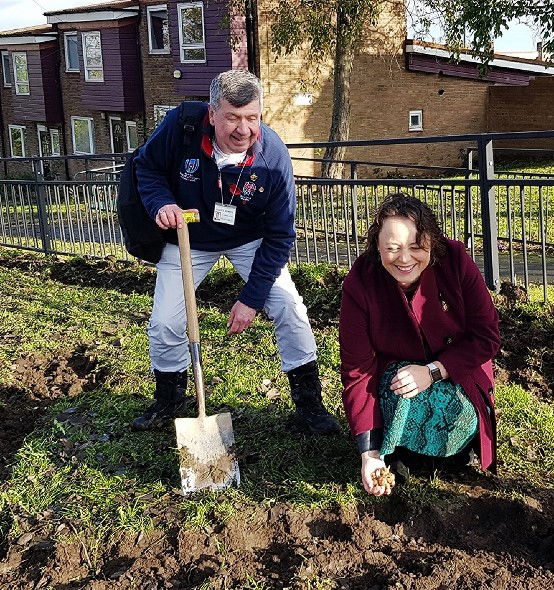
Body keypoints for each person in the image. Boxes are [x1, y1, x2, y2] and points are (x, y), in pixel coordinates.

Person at [131, 69, 340, 435]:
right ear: (212, 114)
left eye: (252, 118)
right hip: (189, 235)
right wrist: (161, 203)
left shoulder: (273, 158)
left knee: (290, 308)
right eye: (232, 117)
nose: (243, 129)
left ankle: (309, 407)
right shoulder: (181, 128)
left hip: (250, 238)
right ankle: (169, 402)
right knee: (165, 322)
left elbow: (280, 235)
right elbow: (146, 166)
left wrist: (251, 298)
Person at [339, 193, 500, 496]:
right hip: (395, 373)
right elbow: (357, 369)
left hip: (456, 369)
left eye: (416, 247)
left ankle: (453, 453)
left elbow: (487, 335)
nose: (404, 259)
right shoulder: (360, 281)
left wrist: (434, 371)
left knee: (456, 413)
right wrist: (369, 453)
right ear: (377, 246)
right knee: (397, 386)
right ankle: (396, 452)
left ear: (432, 242)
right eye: (392, 248)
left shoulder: (455, 261)